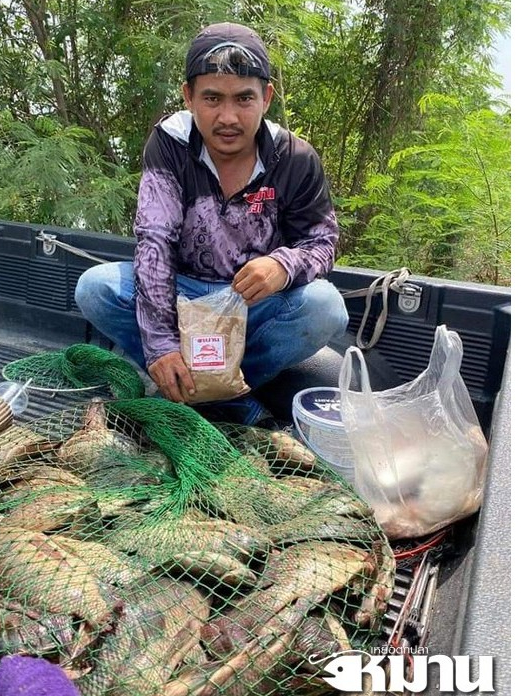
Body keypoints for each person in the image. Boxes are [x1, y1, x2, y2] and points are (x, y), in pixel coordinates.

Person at [75, 21, 348, 423]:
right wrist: (161, 346)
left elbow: (322, 242)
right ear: (189, 96)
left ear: (266, 97)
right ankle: (196, 384)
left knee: (326, 308)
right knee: (96, 288)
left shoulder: (295, 158)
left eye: (244, 99)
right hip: (182, 293)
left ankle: (221, 390)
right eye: (212, 98)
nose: (228, 117)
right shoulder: (168, 145)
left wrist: (282, 265)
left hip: (250, 301)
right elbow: (154, 243)